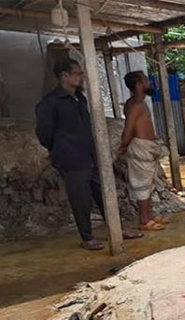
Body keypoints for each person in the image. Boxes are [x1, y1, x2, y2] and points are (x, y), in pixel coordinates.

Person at [35, 58, 143, 251]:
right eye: (77, 73)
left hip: (90, 155)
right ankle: (87, 237)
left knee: (104, 194)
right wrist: (59, 148)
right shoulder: (51, 103)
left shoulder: (80, 98)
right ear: (64, 76)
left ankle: (117, 229)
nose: (81, 77)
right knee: (81, 199)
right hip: (71, 158)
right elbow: (44, 133)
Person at [119, 71, 169, 231]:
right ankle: (143, 220)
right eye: (146, 80)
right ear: (139, 85)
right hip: (141, 148)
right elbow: (128, 129)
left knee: (148, 182)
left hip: (148, 147)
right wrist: (124, 145)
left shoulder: (139, 102)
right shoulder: (135, 105)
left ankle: (149, 215)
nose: (150, 83)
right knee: (142, 185)